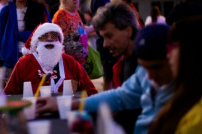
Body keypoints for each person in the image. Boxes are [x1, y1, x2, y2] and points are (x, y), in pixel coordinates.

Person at [36, 24, 174, 134]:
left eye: (156, 68)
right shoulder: (143, 72)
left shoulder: (186, 97)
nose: (149, 76)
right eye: (144, 68)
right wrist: (62, 105)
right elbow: (120, 96)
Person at [4, 23, 97, 96]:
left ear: (59, 41)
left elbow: (90, 91)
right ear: (37, 41)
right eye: (44, 36)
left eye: (53, 35)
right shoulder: (24, 63)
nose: (49, 39)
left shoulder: (69, 61)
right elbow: (9, 94)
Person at [149, 17, 202, 134]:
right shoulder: (189, 97)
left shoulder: (196, 120)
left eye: (172, 47)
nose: (168, 55)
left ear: (191, 51)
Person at [0, 0, 51, 80]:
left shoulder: (39, 9)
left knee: (34, 93)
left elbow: (50, 33)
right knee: (13, 95)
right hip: (11, 61)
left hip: (36, 59)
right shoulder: (5, 11)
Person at [92, 1, 138, 89]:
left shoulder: (149, 65)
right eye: (103, 38)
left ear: (128, 31)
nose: (105, 45)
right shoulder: (119, 68)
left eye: (109, 36)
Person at [90, 0, 118, 90]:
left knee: (112, 75)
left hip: (111, 40)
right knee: (108, 76)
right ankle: (106, 104)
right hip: (104, 42)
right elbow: (99, 23)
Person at [52, 0, 88, 66]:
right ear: (64, 0)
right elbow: (56, 37)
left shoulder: (76, 13)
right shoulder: (61, 14)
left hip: (81, 61)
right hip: (68, 62)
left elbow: (81, 31)